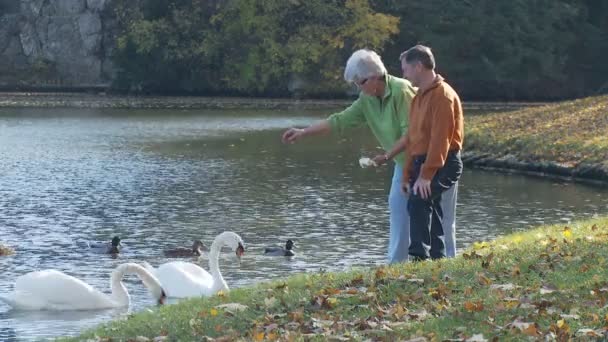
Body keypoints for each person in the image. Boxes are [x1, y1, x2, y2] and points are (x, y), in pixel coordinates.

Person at [281, 49, 458, 264]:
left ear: (375, 78)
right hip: (405, 164)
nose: (359, 88)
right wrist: (304, 132)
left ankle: (447, 263)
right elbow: (340, 121)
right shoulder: (367, 99)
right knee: (401, 211)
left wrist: (387, 156)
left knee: (441, 216)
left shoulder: (403, 91)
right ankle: (398, 266)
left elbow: (412, 136)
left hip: (433, 161)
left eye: (360, 82)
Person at [396, 45, 464, 261]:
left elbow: (440, 139)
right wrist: (408, 174)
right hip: (422, 161)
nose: (404, 74)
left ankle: (418, 258)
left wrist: (426, 175)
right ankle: (438, 258)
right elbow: (413, 140)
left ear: (418, 67)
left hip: (445, 162)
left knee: (418, 201)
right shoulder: (418, 97)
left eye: (405, 69)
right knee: (428, 205)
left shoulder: (443, 96)